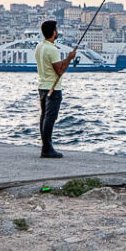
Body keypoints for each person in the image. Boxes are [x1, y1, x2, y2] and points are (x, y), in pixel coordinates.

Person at [35, 20, 76, 158]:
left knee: (44, 116)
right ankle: (47, 149)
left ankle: (45, 146)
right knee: (50, 118)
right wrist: (69, 58)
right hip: (53, 89)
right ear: (53, 32)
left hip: (42, 86)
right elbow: (60, 70)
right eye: (56, 29)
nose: (57, 31)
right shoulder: (52, 49)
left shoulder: (39, 47)